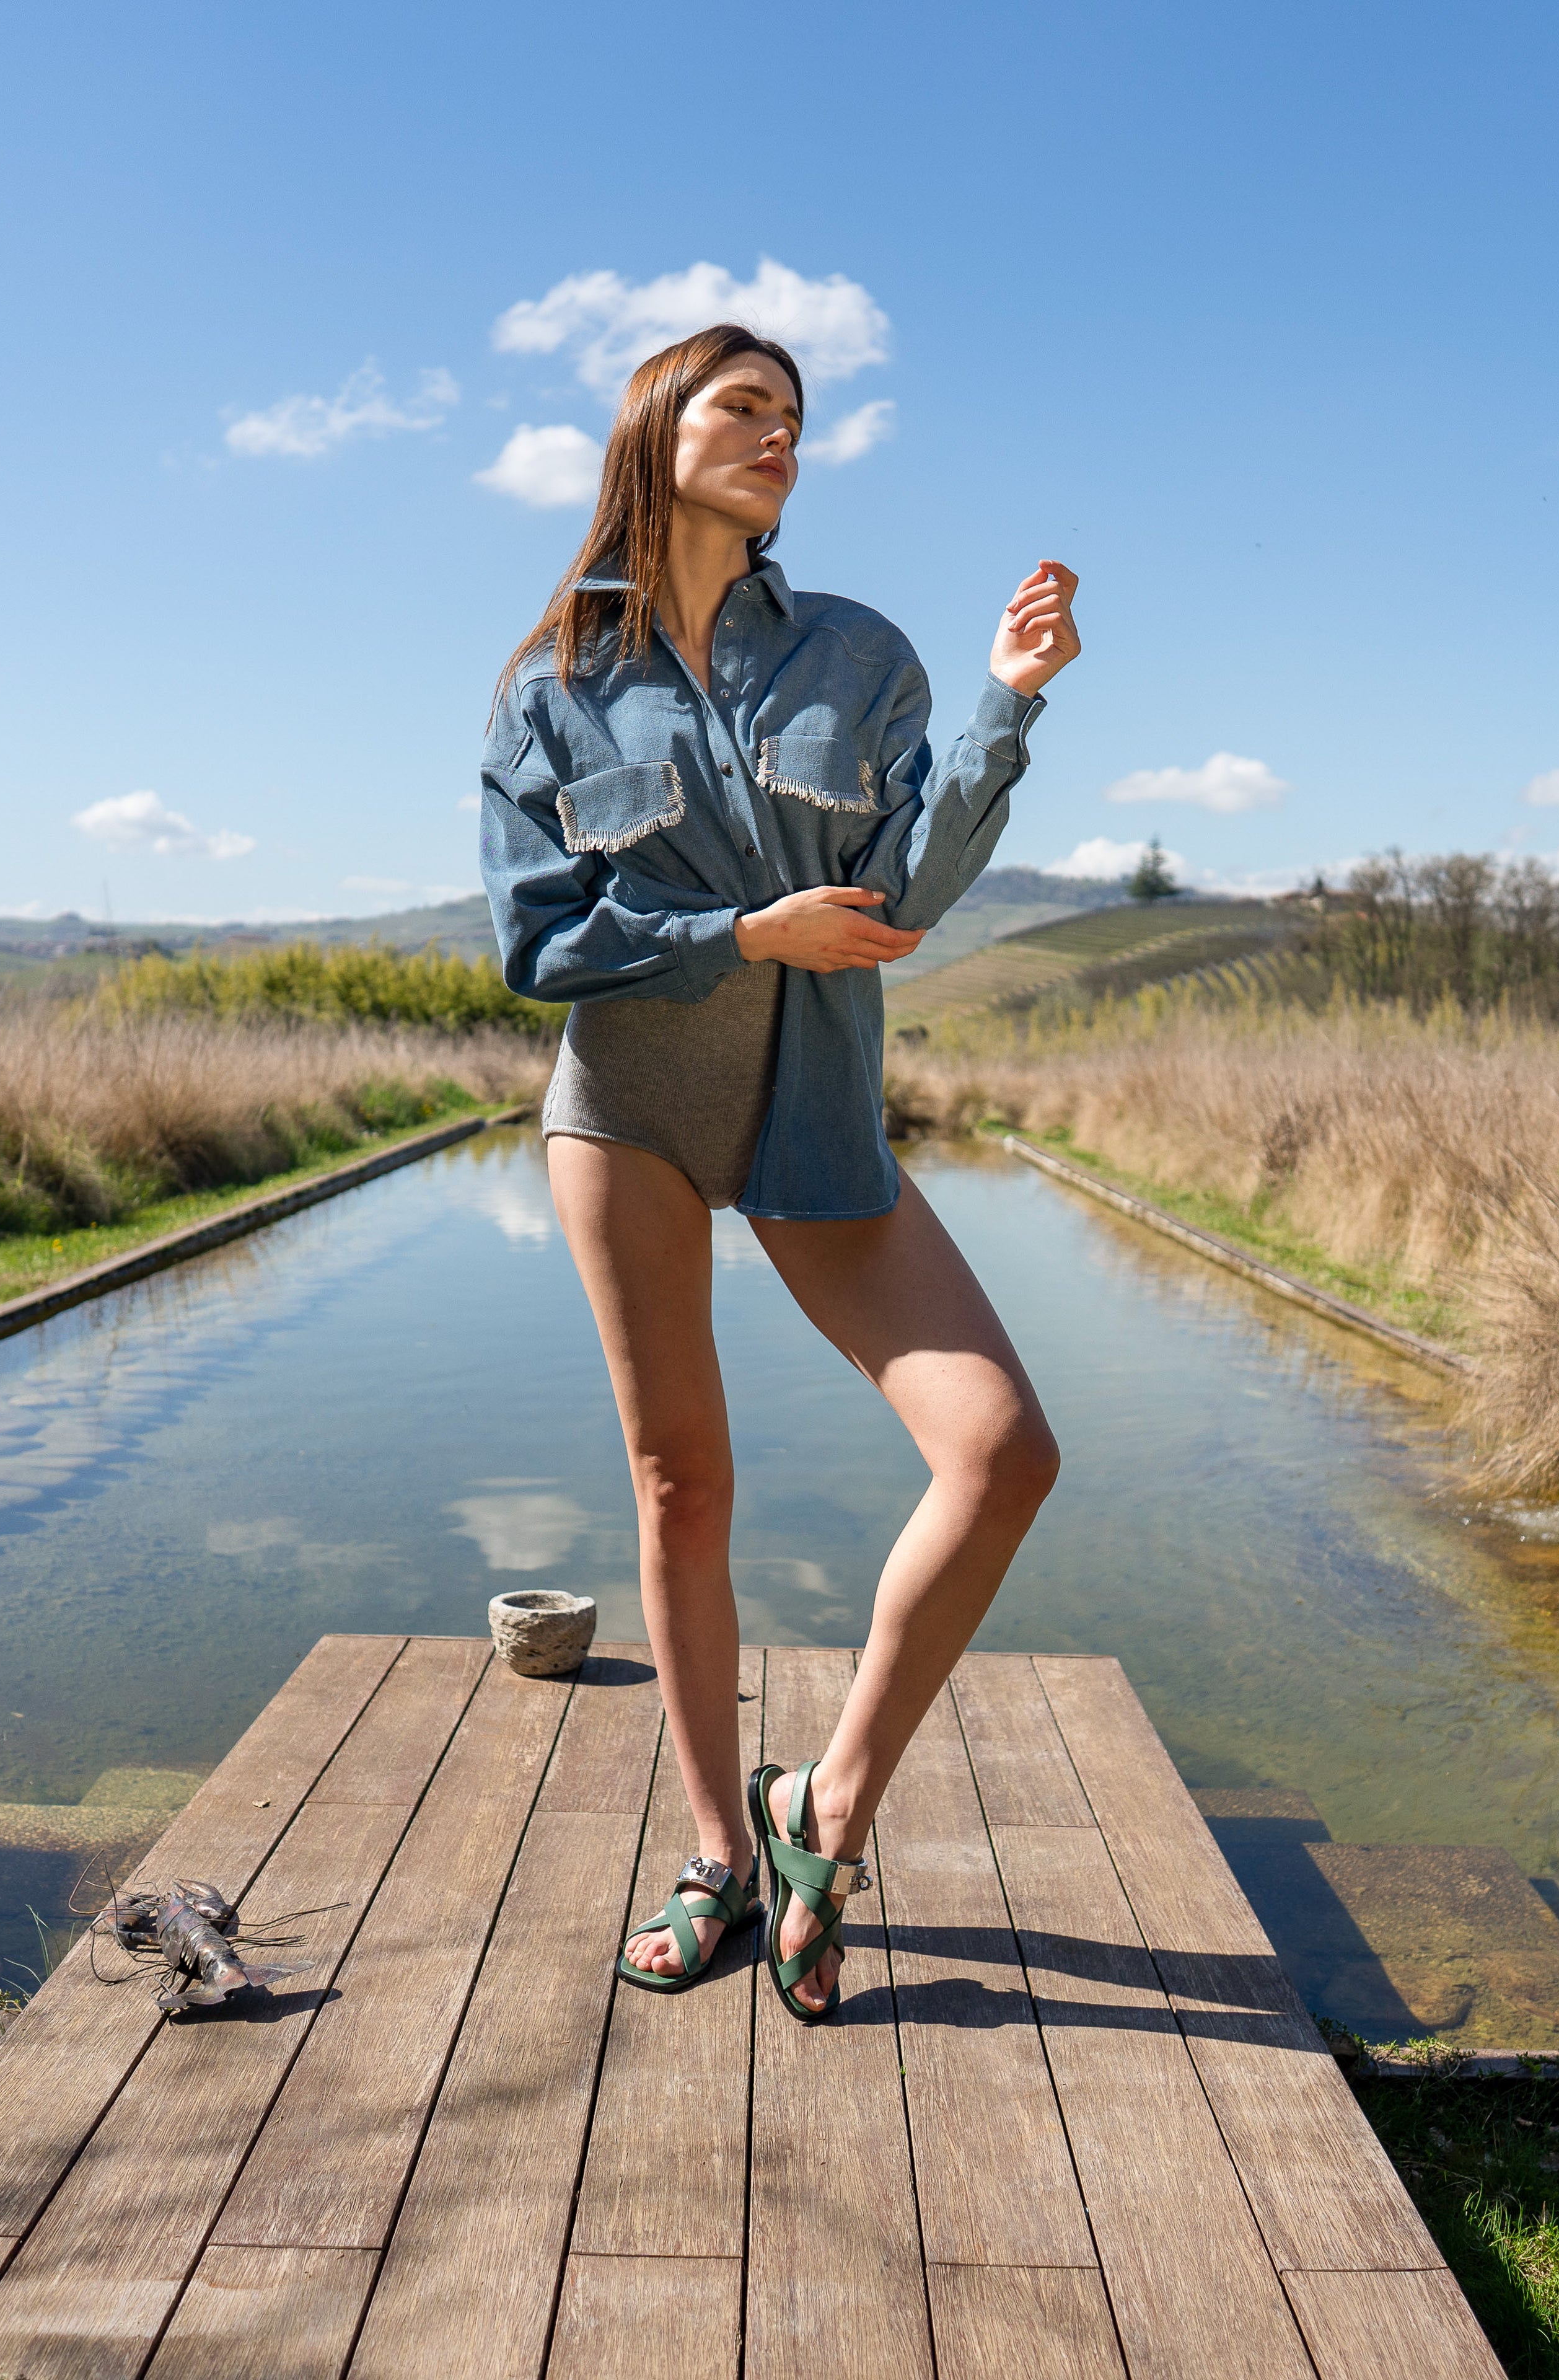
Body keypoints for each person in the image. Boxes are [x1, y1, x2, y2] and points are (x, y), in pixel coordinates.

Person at [479, 321, 1081, 2019]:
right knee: (682, 1487)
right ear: (658, 428)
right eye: (747, 407)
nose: (781, 438)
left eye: (798, 421)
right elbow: (539, 943)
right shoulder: (552, 689)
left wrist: (1007, 704)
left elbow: (905, 896)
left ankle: (824, 1806)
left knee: (1006, 1451)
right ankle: (720, 1863)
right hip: (630, 1116)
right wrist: (741, 926)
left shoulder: (860, 655)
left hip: (815, 1114)